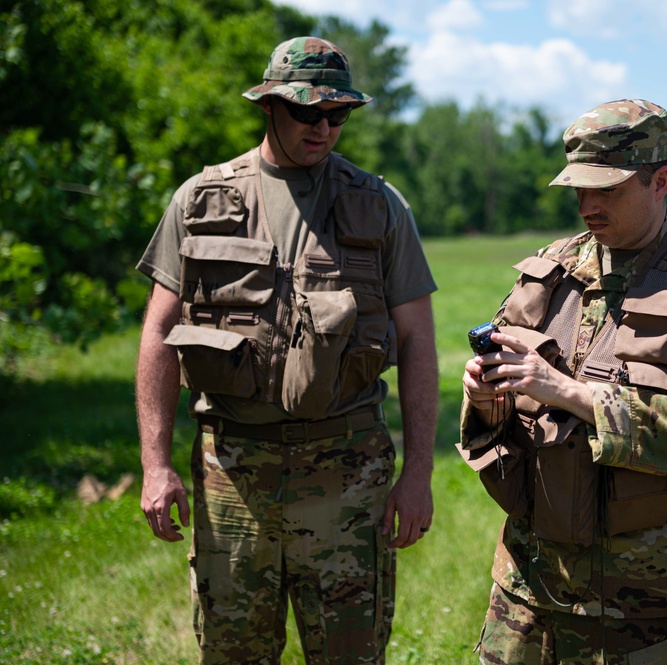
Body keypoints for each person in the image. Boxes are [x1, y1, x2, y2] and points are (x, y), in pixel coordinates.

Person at [134, 36, 438, 664]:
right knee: (233, 653)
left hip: (348, 474)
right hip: (233, 473)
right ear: (269, 105)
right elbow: (159, 337)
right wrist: (156, 464)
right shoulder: (202, 201)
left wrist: (417, 476)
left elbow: (416, 342)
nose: (324, 128)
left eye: (339, 115)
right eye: (308, 112)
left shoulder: (379, 205)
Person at [458, 99, 667, 664]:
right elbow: (497, 396)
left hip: (641, 592)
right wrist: (484, 397)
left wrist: (569, 392)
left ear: (660, 181)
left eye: (607, 189)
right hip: (528, 576)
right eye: (579, 188)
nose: (587, 205)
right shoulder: (552, 267)